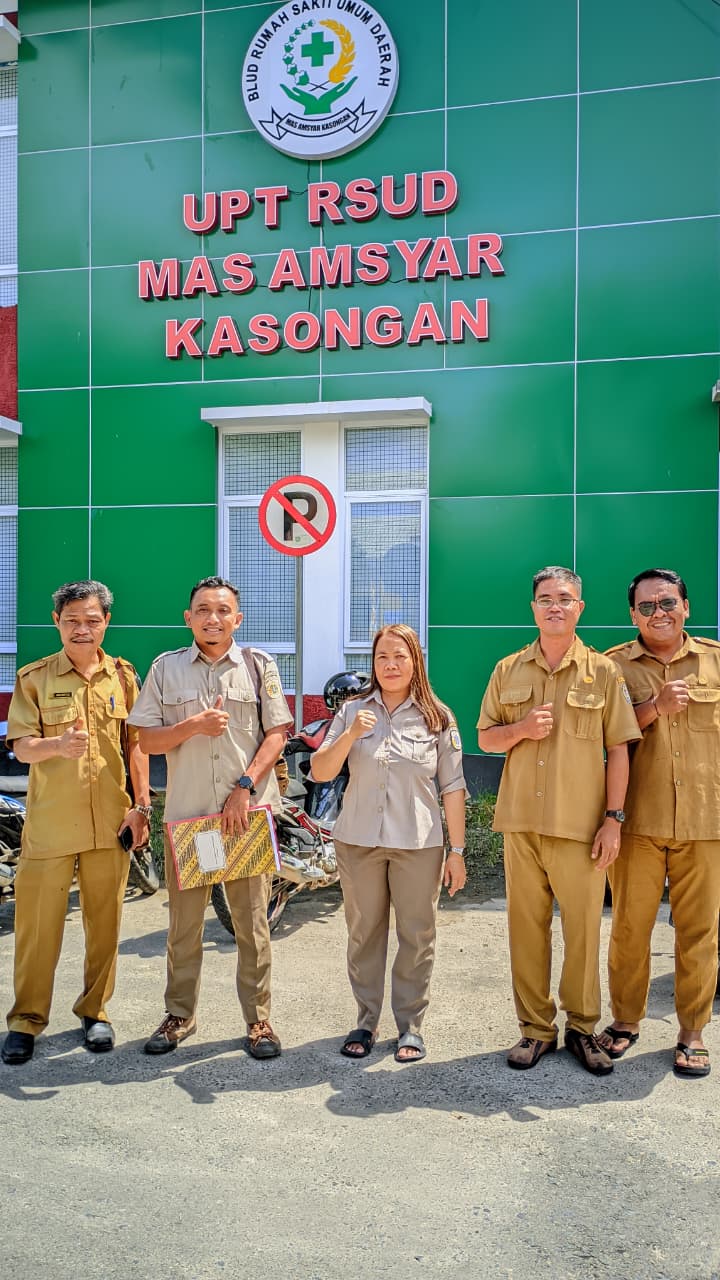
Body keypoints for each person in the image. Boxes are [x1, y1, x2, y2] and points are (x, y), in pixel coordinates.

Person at [477, 567, 641, 1075]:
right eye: (545, 598)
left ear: (580, 608)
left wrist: (613, 820)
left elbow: (618, 748)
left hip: (581, 826)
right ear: (533, 608)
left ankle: (584, 1027)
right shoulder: (508, 669)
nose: (555, 606)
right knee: (526, 930)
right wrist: (521, 729)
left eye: (565, 599)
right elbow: (485, 738)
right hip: (522, 822)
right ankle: (534, 1029)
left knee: (584, 929)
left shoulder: (603, 672)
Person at [128, 576, 292, 1059]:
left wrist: (244, 788)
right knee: (184, 927)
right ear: (189, 617)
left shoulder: (259, 666)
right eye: (203, 609)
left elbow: (277, 735)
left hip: (242, 817)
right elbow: (147, 741)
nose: (213, 618)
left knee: (252, 926)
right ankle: (180, 1014)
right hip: (193, 821)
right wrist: (192, 726)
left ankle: (258, 1021)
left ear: (237, 618)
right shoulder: (166, 669)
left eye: (223, 610)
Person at [1, 581, 150, 1065]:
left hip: (111, 823)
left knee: (104, 926)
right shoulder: (34, 679)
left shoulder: (124, 677)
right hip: (49, 826)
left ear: (106, 621)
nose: (82, 629)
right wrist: (56, 747)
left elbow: (137, 745)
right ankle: (26, 1021)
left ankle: (95, 1012)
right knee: (37, 929)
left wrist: (142, 805)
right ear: (57, 623)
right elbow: (22, 745)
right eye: (72, 621)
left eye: (92, 620)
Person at [311, 624, 467, 1064]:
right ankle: (366, 1019)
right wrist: (348, 734)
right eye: (382, 657)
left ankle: (410, 1026)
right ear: (373, 664)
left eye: (401, 656)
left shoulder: (437, 716)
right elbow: (321, 772)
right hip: (358, 841)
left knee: (417, 935)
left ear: (415, 661)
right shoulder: (353, 711)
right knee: (364, 934)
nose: (391, 664)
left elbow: (452, 787)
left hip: (418, 844)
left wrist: (456, 851)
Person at [598, 569, 720, 1079]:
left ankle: (692, 1032)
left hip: (705, 823)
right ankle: (625, 1021)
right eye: (646, 606)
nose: (658, 613)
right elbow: (605, 737)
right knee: (630, 928)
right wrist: (653, 707)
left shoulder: (716, 661)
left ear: (686, 606)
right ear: (633, 615)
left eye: (667, 602)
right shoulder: (612, 666)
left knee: (700, 933)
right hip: (638, 823)